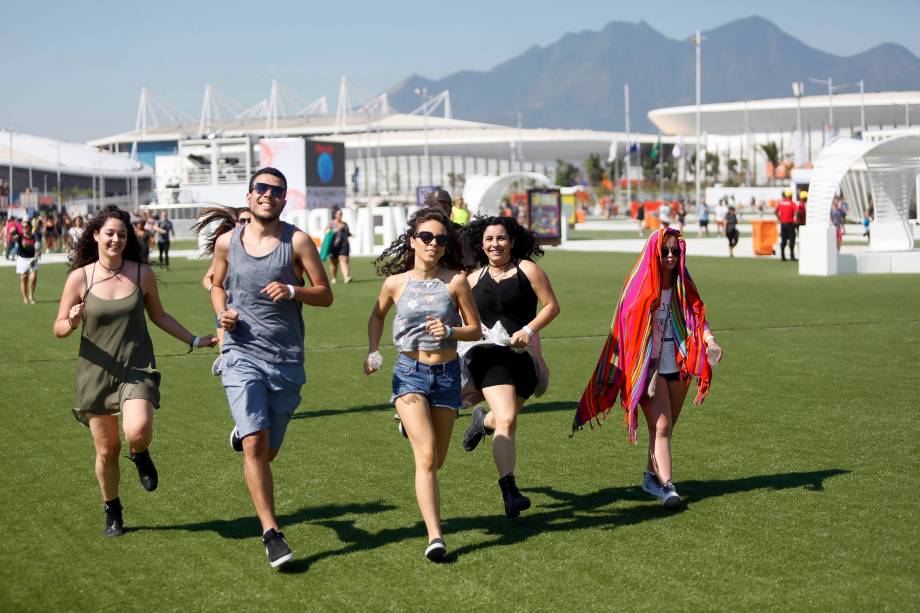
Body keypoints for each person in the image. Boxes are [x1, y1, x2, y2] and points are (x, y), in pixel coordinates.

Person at [53, 206, 216, 537]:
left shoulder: (141, 274)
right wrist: (71, 319)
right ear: (96, 235)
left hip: (136, 367)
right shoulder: (79, 278)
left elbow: (159, 316)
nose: (116, 239)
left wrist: (195, 339)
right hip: (95, 374)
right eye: (110, 233)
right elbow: (58, 328)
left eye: (122, 234)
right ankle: (112, 509)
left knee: (137, 429)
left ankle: (140, 452)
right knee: (106, 450)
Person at [210, 168, 333, 568]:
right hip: (241, 354)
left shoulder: (296, 242)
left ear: (284, 200)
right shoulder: (228, 242)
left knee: (268, 450)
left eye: (276, 190)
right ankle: (271, 533)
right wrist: (222, 315)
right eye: (261, 188)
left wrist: (294, 290)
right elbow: (215, 282)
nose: (268, 195)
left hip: (286, 360)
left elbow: (326, 294)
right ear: (249, 197)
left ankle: (246, 432)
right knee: (255, 446)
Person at [573, 228, 722, 509]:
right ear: (654, 251)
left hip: (677, 360)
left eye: (675, 251)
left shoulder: (681, 281)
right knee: (661, 425)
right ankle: (667, 487)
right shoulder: (640, 284)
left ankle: (650, 478)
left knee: (664, 427)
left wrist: (710, 341)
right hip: (645, 365)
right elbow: (625, 324)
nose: (670, 256)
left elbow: (696, 315)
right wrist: (641, 364)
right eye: (664, 251)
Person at [364, 207, 480, 562]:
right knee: (426, 456)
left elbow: (475, 329)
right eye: (427, 237)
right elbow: (377, 314)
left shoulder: (455, 281)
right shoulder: (396, 283)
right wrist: (372, 351)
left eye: (441, 239)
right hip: (409, 372)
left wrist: (450, 331)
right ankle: (435, 536)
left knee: (437, 459)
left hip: (446, 375)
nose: (433, 243)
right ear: (413, 240)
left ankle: (409, 428)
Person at [460, 216, 560, 517]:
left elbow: (552, 306)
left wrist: (527, 332)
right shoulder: (472, 280)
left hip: (524, 357)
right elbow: (460, 320)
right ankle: (510, 492)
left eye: (501, 238)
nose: (495, 244)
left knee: (505, 418)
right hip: (489, 357)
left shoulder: (527, 269)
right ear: (482, 244)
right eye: (489, 239)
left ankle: (482, 420)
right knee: (507, 420)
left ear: (512, 241)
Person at [192, 205, 250, 376]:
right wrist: (214, 289)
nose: (246, 224)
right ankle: (224, 357)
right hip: (228, 306)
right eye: (242, 220)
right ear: (235, 223)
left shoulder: (262, 247)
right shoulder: (226, 248)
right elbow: (207, 278)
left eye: (250, 220)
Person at [12, 220, 40, 303]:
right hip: (22, 259)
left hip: (32, 259)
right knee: (24, 278)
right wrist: (13, 234)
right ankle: (25, 298)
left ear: (30, 228)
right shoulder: (20, 236)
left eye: (26, 227)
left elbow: (38, 248)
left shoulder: (34, 236)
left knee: (33, 277)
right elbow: (13, 238)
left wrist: (36, 256)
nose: (24, 228)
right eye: (23, 227)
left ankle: (31, 296)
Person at [326, 206, 352, 284]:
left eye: (341, 214)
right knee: (334, 263)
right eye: (339, 214)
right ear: (335, 215)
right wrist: (337, 229)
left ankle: (346, 277)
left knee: (344, 260)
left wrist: (351, 234)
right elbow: (326, 232)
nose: (340, 215)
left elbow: (347, 233)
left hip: (344, 244)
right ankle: (334, 278)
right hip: (333, 245)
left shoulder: (345, 224)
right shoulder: (331, 223)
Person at [776, 191, 797, 261]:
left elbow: (775, 211)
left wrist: (779, 218)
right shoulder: (792, 203)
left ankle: (782, 256)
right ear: (790, 196)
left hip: (783, 224)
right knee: (791, 240)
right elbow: (796, 211)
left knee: (783, 240)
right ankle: (792, 256)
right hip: (790, 223)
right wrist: (795, 218)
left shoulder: (781, 203)